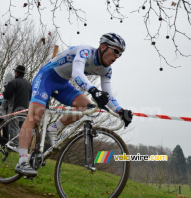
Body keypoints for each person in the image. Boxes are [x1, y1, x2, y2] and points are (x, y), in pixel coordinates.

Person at [15, 33, 133, 177]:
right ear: (103, 47)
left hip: (63, 84)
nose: (117, 56)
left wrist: (121, 111)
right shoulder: (85, 51)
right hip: (47, 77)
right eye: (115, 51)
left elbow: (108, 95)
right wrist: (94, 91)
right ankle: (22, 160)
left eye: (120, 54)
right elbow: (77, 74)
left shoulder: (106, 70)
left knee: (87, 107)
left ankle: (54, 128)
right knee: (35, 115)